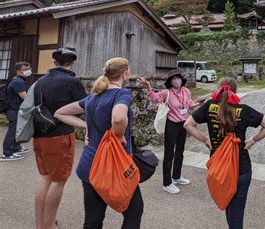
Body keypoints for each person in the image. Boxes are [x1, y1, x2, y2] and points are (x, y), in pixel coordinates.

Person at [55, 57, 143, 229]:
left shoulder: (93, 97)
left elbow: (60, 113)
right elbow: (118, 117)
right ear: (125, 73)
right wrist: (118, 135)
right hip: (114, 167)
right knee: (133, 212)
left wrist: (87, 125)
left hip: (89, 167)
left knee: (93, 220)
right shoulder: (121, 94)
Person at [184, 77, 265, 229]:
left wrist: (205, 140)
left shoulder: (209, 106)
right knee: (237, 211)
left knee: (227, 203)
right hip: (241, 168)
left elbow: (188, 124)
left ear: (219, 89)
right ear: (235, 90)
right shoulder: (243, 110)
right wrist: (253, 140)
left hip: (218, 167)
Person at [33, 48, 87, 229]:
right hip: (60, 135)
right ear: (72, 63)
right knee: (58, 181)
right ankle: (49, 226)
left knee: (45, 177)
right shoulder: (72, 82)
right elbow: (86, 105)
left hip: (39, 133)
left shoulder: (40, 81)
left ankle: (41, 223)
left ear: (55, 62)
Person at [137, 69, 202, 194]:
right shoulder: (166, 92)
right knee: (169, 153)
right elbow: (154, 98)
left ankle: (176, 176)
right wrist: (148, 86)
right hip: (171, 125)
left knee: (180, 151)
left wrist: (197, 104)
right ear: (170, 81)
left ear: (181, 80)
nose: (176, 80)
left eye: (178, 78)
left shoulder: (187, 91)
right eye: (173, 78)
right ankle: (167, 183)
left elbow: (188, 105)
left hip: (184, 124)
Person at [1, 61, 32, 161]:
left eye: (29, 69)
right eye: (26, 69)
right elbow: (25, 97)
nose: (29, 71)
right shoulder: (18, 82)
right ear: (18, 71)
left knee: (18, 130)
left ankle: (16, 147)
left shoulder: (19, 81)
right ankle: (7, 153)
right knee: (13, 131)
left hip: (16, 110)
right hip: (13, 110)